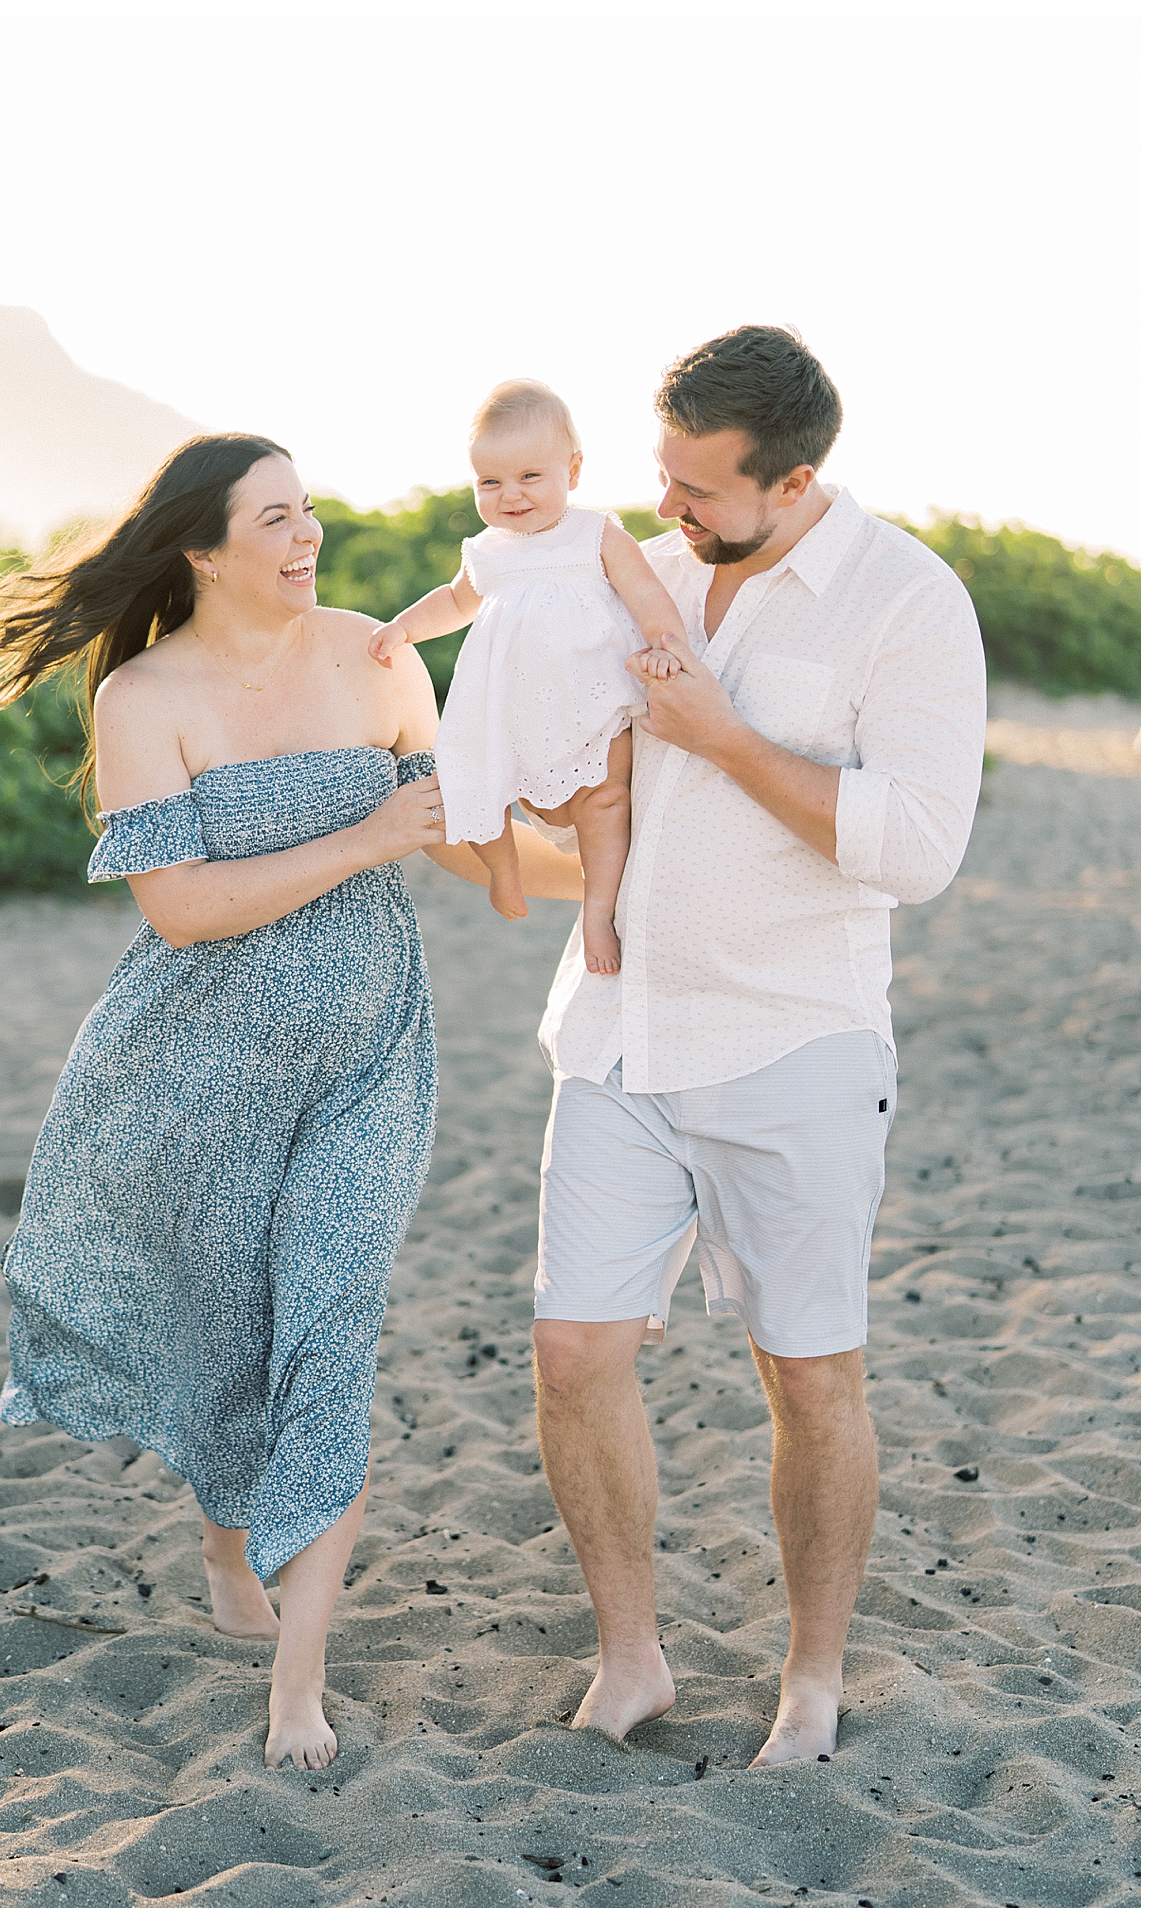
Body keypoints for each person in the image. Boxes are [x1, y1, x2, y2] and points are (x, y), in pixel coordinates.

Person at [0, 433, 580, 1771]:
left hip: (370, 1060)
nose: (307, 537)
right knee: (226, 1335)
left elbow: (471, 829)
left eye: (310, 512)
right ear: (201, 549)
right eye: (275, 519)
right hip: (197, 1070)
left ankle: (296, 1686)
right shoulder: (145, 695)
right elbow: (185, 910)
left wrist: (610, 876)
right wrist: (366, 836)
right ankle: (222, 1537)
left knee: (327, 1330)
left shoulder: (376, 655)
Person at [526, 327, 986, 1764]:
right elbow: (593, 802)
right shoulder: (643, 577)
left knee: (809, 1373)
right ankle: (630, 1657)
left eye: (699, 488)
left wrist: (722, 736)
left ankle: (812, 1677)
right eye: (660, 473)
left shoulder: (906, 601)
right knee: (570, 1348)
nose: (669, 509)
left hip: (793, 1039)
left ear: (792, 479)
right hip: (615, 1032)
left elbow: (914, 847)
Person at [368, 379, 685, 975]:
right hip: (508, 707)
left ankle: (597, 910)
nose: (509, 495)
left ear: (573, 469)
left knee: (606, 799)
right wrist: (403, 629)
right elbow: (454, 601)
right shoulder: (488, 550)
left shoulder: (595, 535)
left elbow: (647, 592)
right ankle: (503, 870)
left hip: (591, 699)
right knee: (481, 784)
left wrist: (667, 646)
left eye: (529, 477)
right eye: (490, 482)